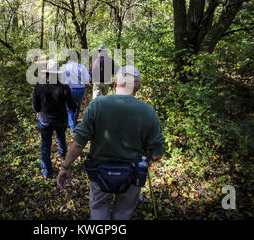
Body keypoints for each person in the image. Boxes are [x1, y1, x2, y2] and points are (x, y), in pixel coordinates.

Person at [56, 66, 165, 220]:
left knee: (99, 208)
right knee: (123, 212)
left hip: (100, 171)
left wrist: (65, 167)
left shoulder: (97, 105)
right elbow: (157, 153)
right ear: (139, 86)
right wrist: (148, 154)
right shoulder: (148, 112)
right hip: (133, 172)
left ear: (114, 83)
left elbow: (79, 143)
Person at [31, 60, 77, 179]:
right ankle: (64, 159)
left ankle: (46, 172)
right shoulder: (64, 87)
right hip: (60, 120)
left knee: (46, 145)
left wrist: (38, 112)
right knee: (61, 138)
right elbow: (72, 106)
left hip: (44, 121)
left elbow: (35, 106)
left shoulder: (39, 86)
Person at [61, 50, 91, 135]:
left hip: (69, 90)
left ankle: (72, 128)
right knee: (77, 108)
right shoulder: (82, 67)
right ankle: (74, 125)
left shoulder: (65, 67)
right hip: (80, 90)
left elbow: (61, 79)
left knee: (69, 109)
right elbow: (87, 79)